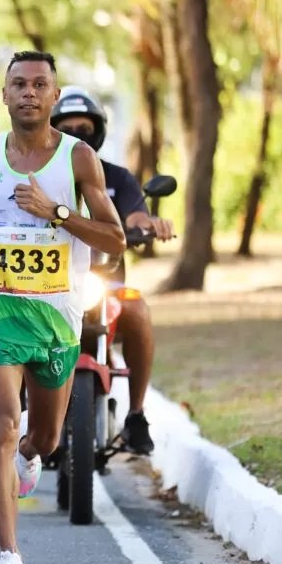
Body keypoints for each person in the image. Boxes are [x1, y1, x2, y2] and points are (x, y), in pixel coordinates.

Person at [0, 51, 125, 564]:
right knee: (1, 425)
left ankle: (32, 454)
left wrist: (56, 214)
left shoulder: (78, 161)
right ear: (3, 96)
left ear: (53, 97)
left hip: (57, 318)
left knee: (45, 438)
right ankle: (10, 558)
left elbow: (115, 240)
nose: (28, 92)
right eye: (18, 84)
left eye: (39, 84)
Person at [50, 86, 174, 455]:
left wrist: (149, 224)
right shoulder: (41, 177)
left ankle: (136, 414)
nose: (76, 136)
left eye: (84, 130)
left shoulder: (118, 178)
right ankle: (27, 412)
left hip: (105, 287)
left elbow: (136, 214)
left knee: (137, 308)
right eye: (67, 129)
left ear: (98, 132)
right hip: (48, 287)